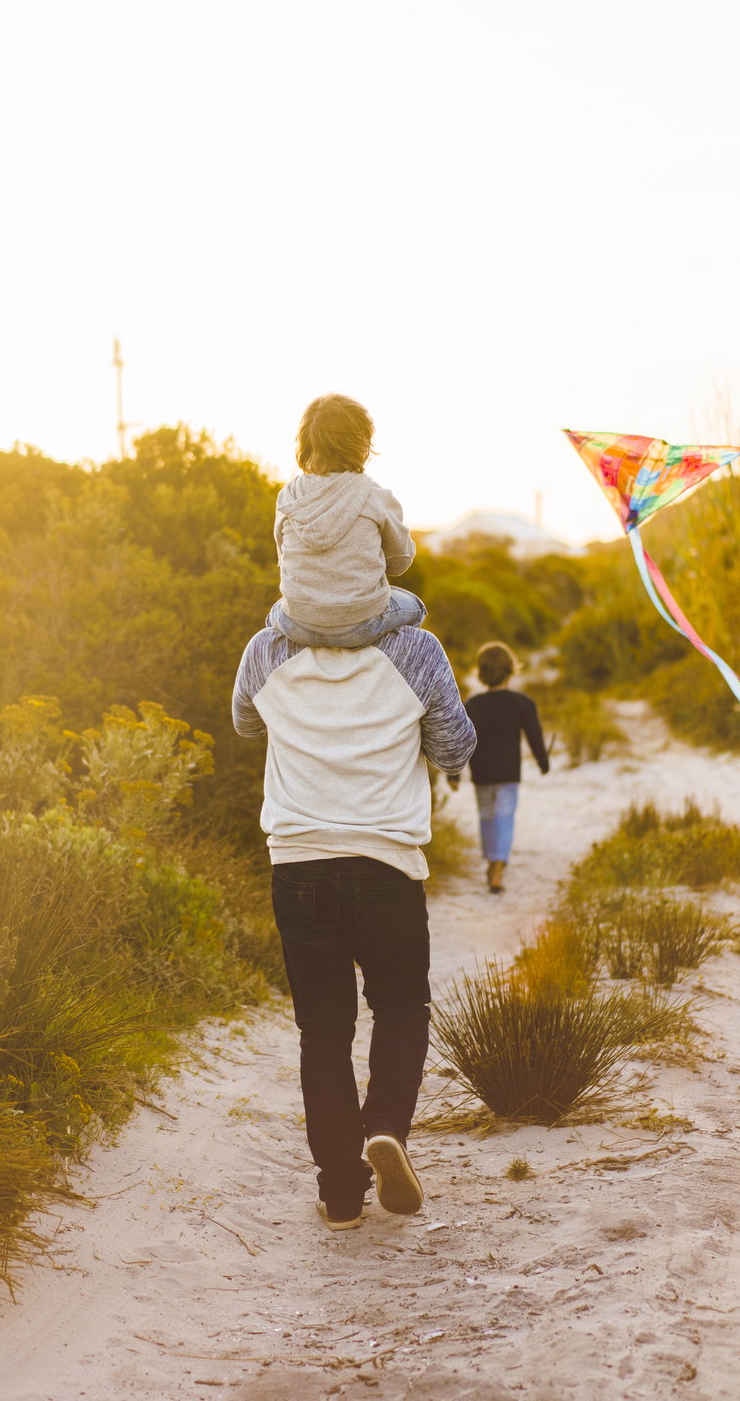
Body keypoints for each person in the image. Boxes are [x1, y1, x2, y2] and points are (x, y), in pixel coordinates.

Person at [232, 518, 476, 1231]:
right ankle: (386, 1131)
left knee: (323, 1028)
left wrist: (309, 723)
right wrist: (414, 736)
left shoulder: (266, 649)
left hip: (298, 865)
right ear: (379, 559)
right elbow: (457, 743)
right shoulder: (416, 649)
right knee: (401, 1005)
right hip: (385, 863)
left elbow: (248, 725)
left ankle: (340, 1191)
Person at [266, 393, 428, 648]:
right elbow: (399, 563)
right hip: (360, 626)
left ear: (306, 442)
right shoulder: (376, 496)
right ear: (361, 443)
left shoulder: (288, 496)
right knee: (416, 607)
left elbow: (282, 559)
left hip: (297, 624)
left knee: (275, 612)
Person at [446, 641, 549, 893]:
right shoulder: (522, 702)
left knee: (487, 818)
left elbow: (459, 739)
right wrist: (543, 762)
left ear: (481, 673)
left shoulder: (471, 704)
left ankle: (492, 861)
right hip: (508, 774)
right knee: (504, 818)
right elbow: (534, 735)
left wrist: (454, 773)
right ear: (510, 669)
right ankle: (499, 869)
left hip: (481, 774)